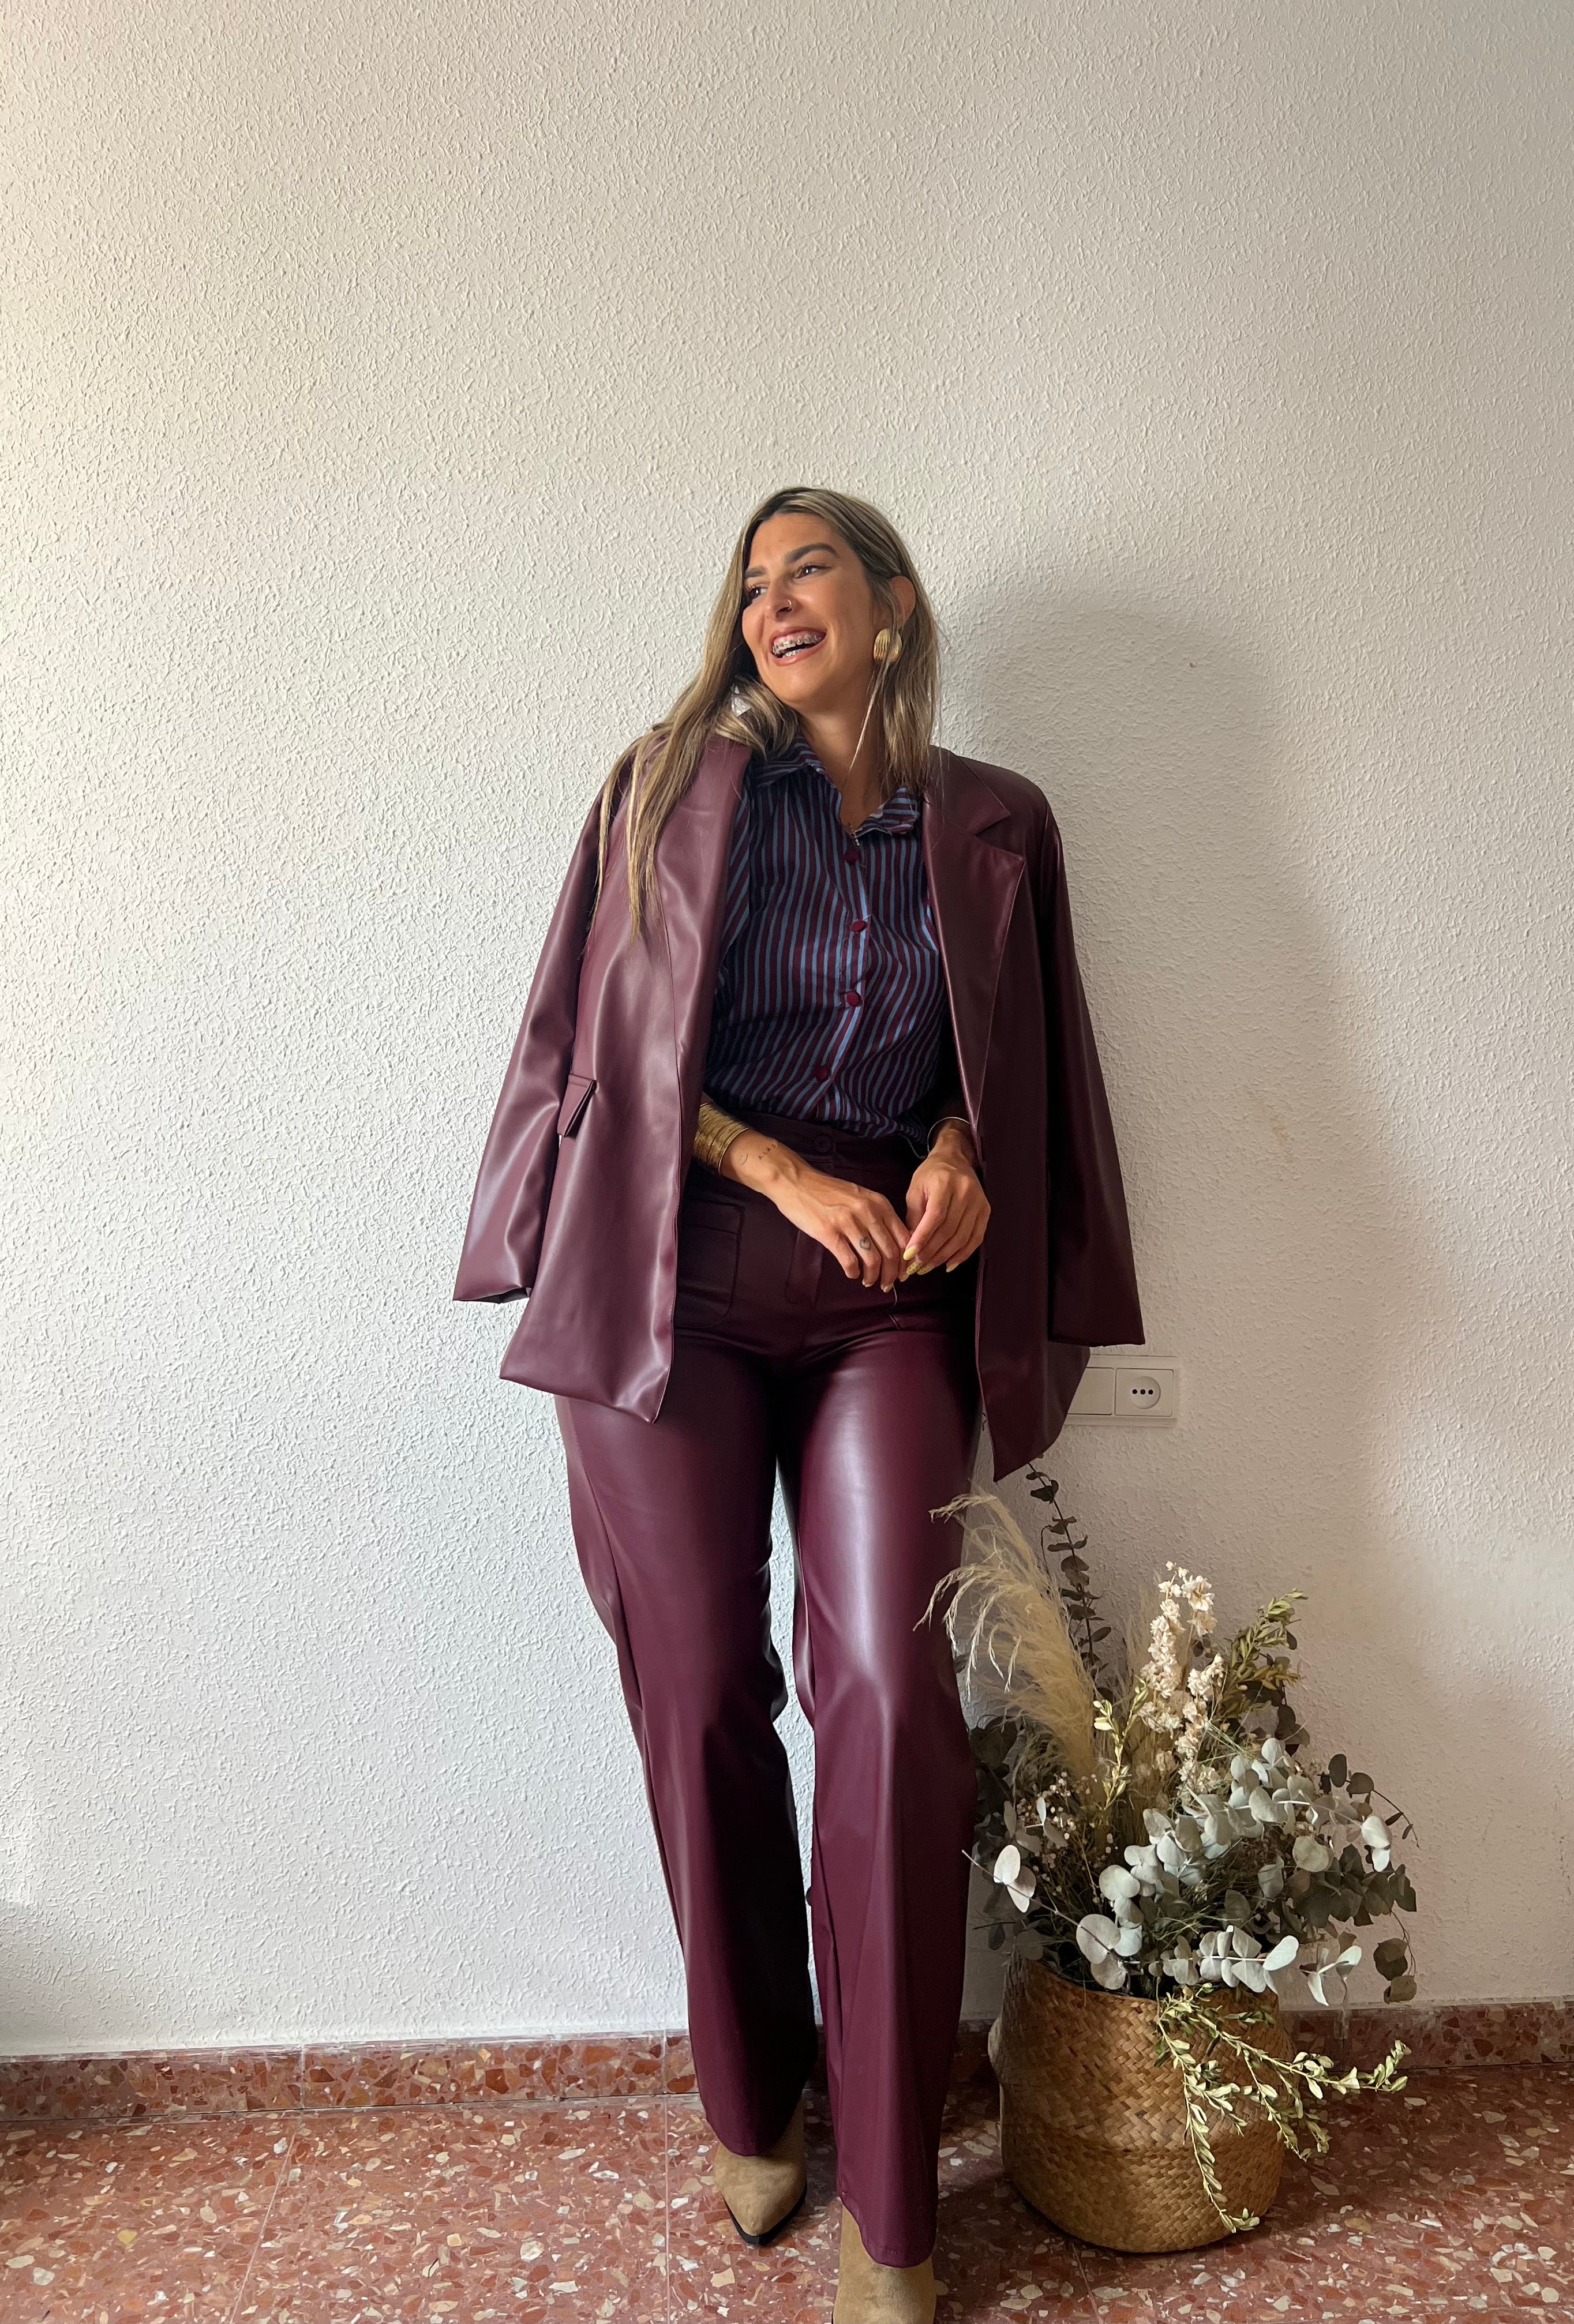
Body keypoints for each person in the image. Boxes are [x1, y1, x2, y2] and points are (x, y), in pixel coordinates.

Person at [453, 486, 1144, 2324]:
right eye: (751, 582)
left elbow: (1023, 1058)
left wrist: (960, 1154)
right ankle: (754, 2094)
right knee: (697, 1693)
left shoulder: (996, 823)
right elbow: (607, 1055)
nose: (772, 602)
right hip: (671, 1286)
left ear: (893, 606)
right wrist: (776, 1170)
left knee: (893, 1702)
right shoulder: (663, 793)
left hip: (887, 1310)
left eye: (808, 569)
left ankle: (897, 2204)